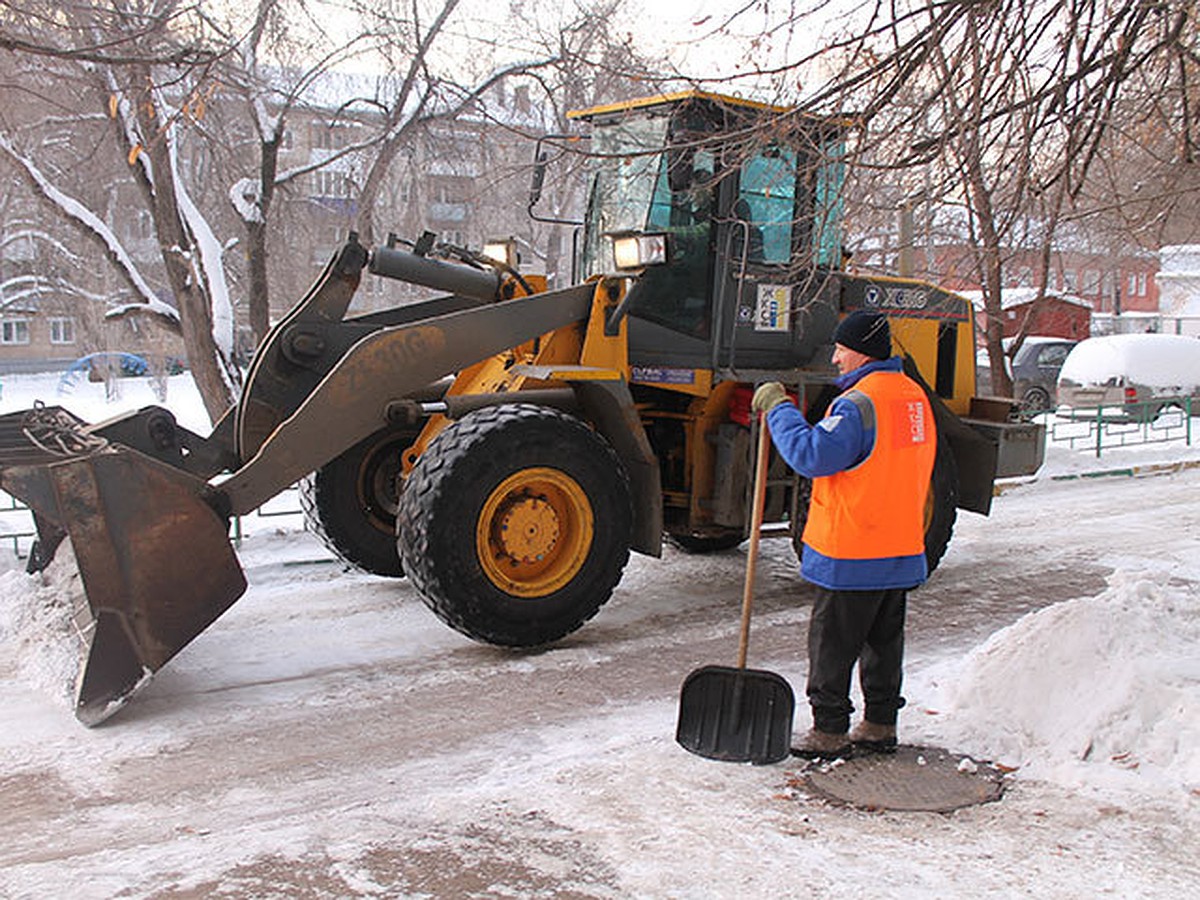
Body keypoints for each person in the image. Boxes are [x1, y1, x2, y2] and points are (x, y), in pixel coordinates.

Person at [750, 309, 937, 759]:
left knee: (833, 646)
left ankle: (829, 731)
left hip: (854, 550)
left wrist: (779, 410)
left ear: (860, 351)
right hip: (899, 546)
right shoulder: (913, 396)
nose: (835, 358)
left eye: (840, 348)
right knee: (883, 644)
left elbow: (812, 455)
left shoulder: (859, 404)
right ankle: (879, 724)